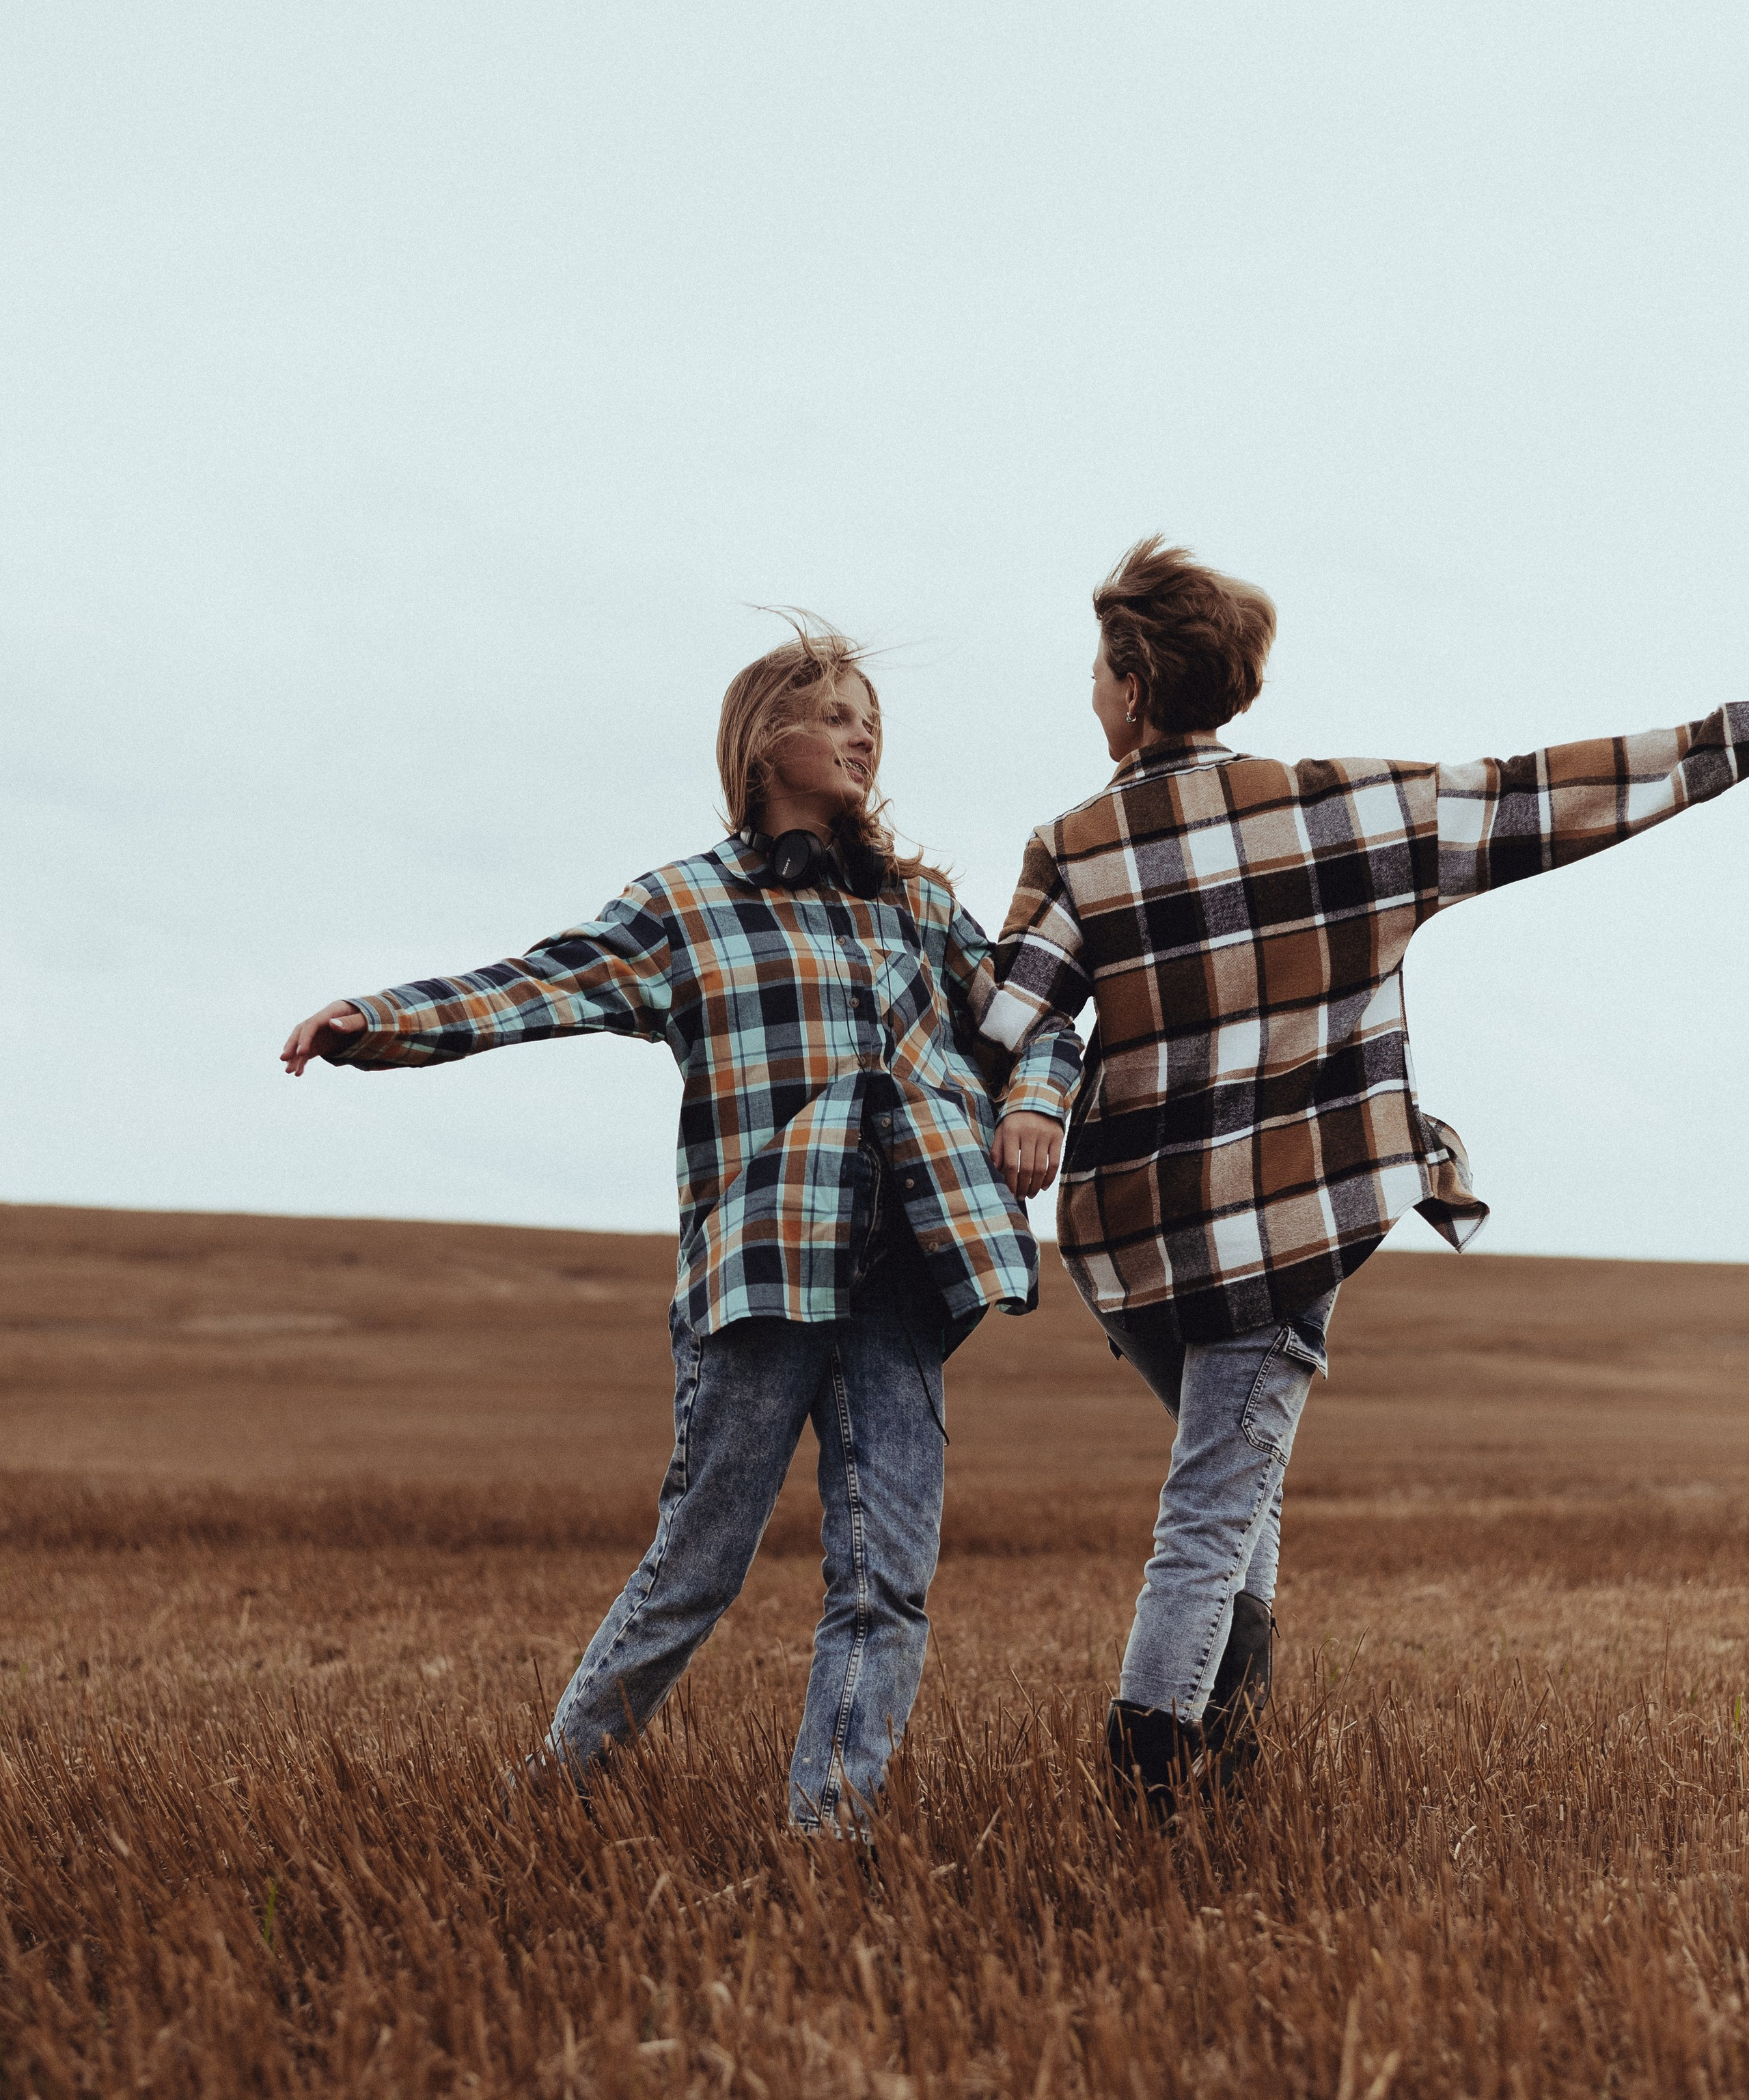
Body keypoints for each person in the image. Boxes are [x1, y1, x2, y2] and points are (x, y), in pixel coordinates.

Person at [982, 536, 1748, 1814]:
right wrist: (1730, 739)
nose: (1095, 693)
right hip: (1292, 1223)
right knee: (1219, 1498)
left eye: (1099, 672)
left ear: (1133, 684)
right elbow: (1541, 796)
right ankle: (1152, 1779)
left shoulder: (1075, 846)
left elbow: (1008, 1021)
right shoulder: (1348, 808)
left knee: (1236, 1474)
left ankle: (1225, 1757)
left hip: (1137, 1247)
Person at [282, 625, 1080, 1833]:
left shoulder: (918, 905)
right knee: (696, 1572)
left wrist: (1031, 1106)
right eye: (836, 714)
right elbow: (543, 981)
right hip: (763, 1271)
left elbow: (1038, 1023)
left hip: (907, 1271)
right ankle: (549, 1800)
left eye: (872, 719)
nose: (863, 736)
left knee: (888, 1582)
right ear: (765, 742)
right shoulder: (686, 906)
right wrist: (382, 1021)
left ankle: (830, 1834)